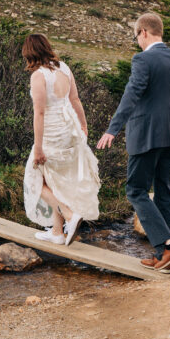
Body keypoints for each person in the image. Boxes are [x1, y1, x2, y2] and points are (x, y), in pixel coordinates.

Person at [97, 12, 170, 272]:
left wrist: (113, 129)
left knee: (135, 190)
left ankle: (169, 244)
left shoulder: (142, 59)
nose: (137, 41)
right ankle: (164, 255)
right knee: (164, 193)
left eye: (137, 36)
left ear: (144, 32)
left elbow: (131, 94)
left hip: (146, 135)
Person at [22, 33, 100, 245]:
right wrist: (83, 125)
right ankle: (57, 232)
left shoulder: (38, 75)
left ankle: (68, 215)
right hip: (70, 131)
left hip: (52, 134)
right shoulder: (64, 68)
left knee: (34, 179)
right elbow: (75, 99)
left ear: (30, 53)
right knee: (55, 180)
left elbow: (39, 113)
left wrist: (38, 148)